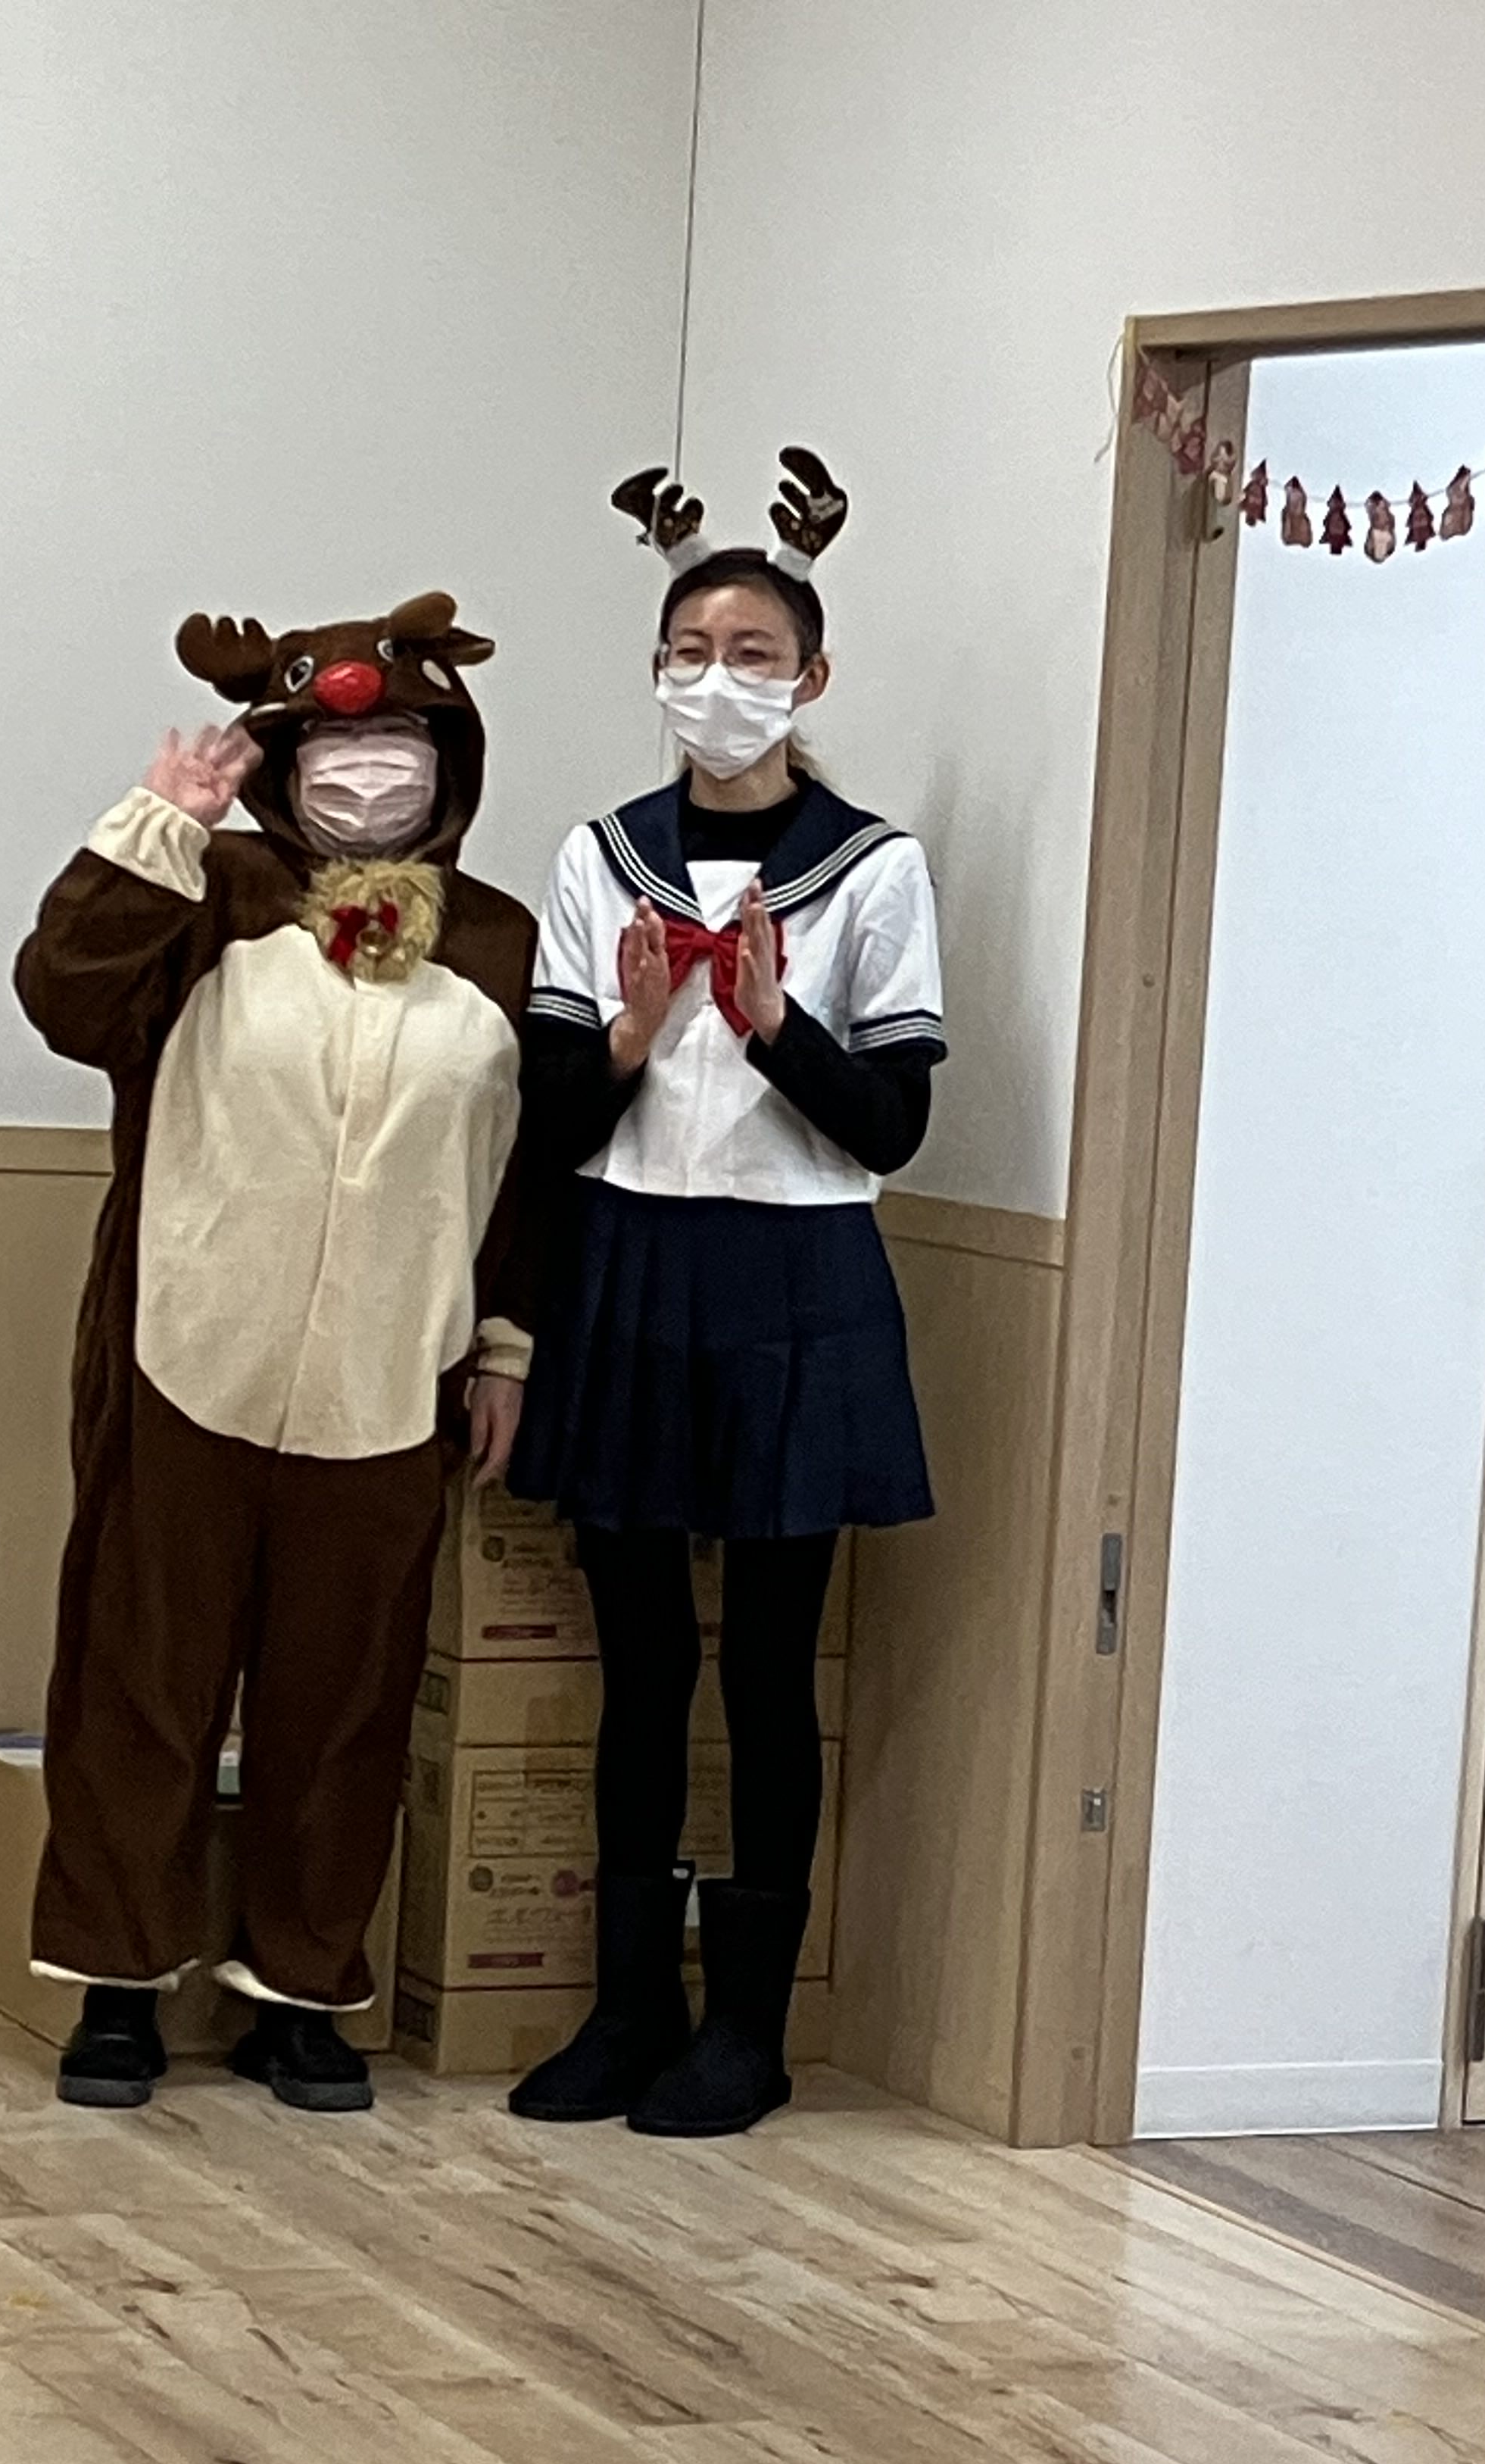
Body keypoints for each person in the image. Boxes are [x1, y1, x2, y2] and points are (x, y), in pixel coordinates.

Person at [16, 592, 535, 2116]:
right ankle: (118, 1981)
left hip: (391, 1377)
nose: (371, 775)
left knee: (346, 1699)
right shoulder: (212, 894)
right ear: (287, 765)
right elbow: (64, 1000)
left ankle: (304, 1989)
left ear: (452, 766)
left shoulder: (499, 940)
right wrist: (156, 828)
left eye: (403, 748)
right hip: (187, 1348)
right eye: (340, 750)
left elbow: (520, 1167)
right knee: (143, 1678)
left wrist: (504, 1345)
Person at [507, 451, 942, 2139]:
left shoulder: (873, 868)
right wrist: (627, 1037)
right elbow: (553, 1119)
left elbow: (892, 1126)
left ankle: (745, 2031)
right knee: (637, 1660)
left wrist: (771, 1026)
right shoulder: (599, 855)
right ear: (656, 668)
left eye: (753, 653)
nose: (718, 678)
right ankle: (627, 2009)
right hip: (630, 1254)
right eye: (692, 650)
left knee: (766, 1664)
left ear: (811, 679)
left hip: (796, 1266)